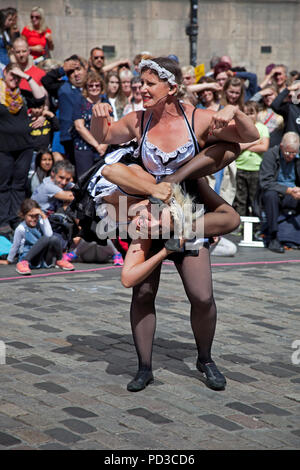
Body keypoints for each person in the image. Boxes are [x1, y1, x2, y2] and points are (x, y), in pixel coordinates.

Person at [91, 56, 259, 392]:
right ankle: (144, 367)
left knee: (202, 297)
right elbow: (105, 136)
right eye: (141, 82)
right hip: (148, 209)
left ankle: (205, 358)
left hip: (188, 208)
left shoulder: (196, 118)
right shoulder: (138, 120)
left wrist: (235, 111)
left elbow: (247, 137)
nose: (142, 88)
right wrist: (99, 119)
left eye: (150, 83)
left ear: (172, 87)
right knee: (143, 293)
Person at [0, 63, 45, 235]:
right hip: (3, 147)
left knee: (19, 185)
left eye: (17, 76)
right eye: (11, 75)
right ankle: (3, 221)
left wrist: (26, 76)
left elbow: (40, 97)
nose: (14, 79)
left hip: (24, 146)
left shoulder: (23, 95)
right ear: (4, 73)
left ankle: (16, 219)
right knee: (3, 185)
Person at [4, 198, 74, 275]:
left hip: (42, 258)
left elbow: (49, 234)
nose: (34, 219)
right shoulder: (21, 228)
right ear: (23, 215)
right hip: (29, 258)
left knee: (54, 238)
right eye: (31, 216)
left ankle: (60, 260)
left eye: (36, 216)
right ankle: (24, 262)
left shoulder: (40, 222)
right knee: (46, 238)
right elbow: (15, 246)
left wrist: (43, 216)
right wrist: (9, 260)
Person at [258, 132, 300, 253]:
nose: (291, 156)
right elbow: (265, 183)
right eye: (288, 152)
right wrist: (288, 191)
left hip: (294, 192)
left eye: (294, 153)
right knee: (271, 195)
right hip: (276, 192)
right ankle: (273, 237)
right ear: (281, 146)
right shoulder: (270, 155)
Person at [233, 101, 270, 217]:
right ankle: (240, 225)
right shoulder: (237, 128)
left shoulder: (262, 128)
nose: (248, 116)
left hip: (255, 169)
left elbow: (264, 147)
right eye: (246, 113)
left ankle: (255, 227)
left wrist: (245, 146)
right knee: (240, 199)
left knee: (254, 199)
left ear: (257, 113)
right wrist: (254, 142)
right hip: (239, 168)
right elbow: (238, 147)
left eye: (251, 113)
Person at [73, 70, 109, 177]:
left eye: (97, 85)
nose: (94, 88)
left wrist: (104, 145)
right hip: (84, 148)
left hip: (103, 148)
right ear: (86, 87)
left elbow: (111, 123)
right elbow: (79, 127)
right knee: (85, 180)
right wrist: (97, 146)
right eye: (91, 85)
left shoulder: (105, 101)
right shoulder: (80, 102)